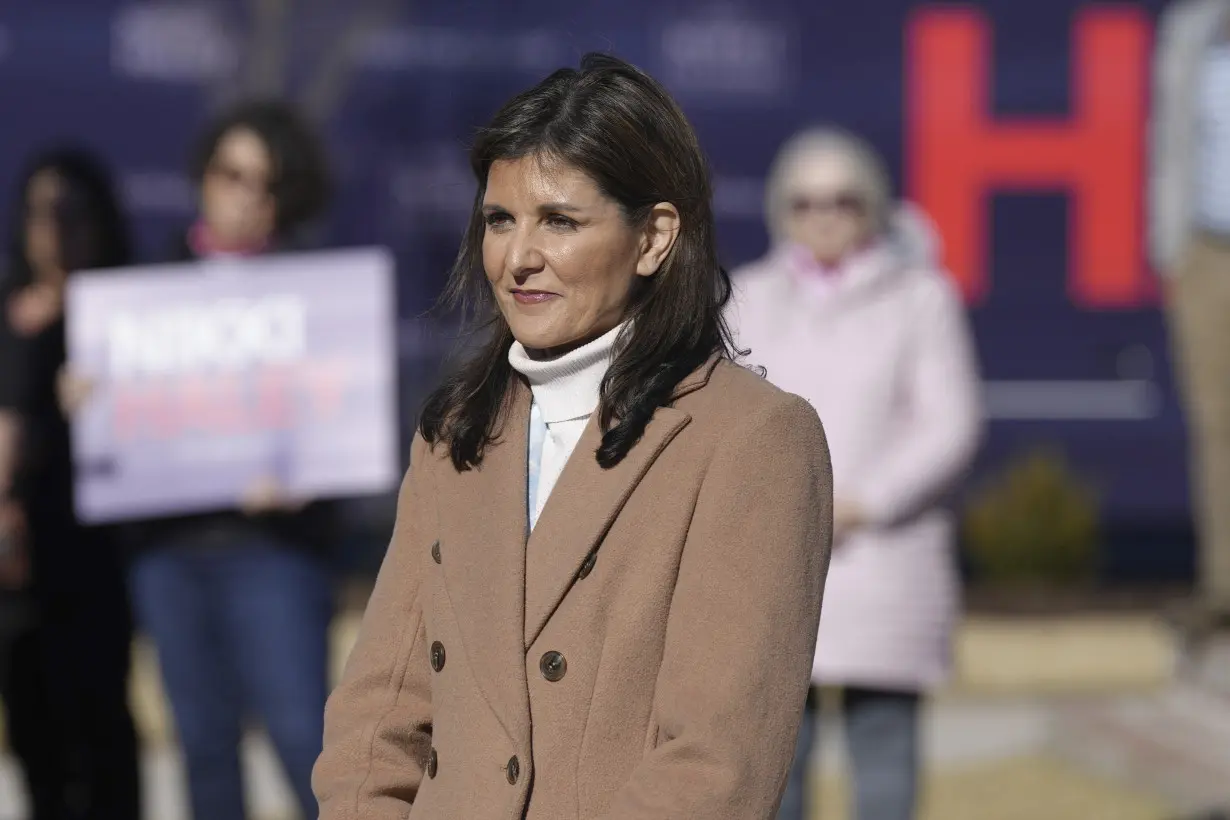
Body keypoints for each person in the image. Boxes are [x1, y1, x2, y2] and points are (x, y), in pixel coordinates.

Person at [313, 53, 834, 819]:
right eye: (499, 220)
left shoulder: (754, 440)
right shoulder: (457, 433)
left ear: (655, 237)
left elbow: (713, 767)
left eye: (559, 221)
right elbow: (377, 718)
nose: (519, 257)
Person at [730, 128, 982, 820]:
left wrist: (863, 505)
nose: (824, 216)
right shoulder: (745, 297)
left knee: (885, 757)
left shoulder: (921, 297)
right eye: (806, 201)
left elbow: (949, 425)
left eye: (841, 199)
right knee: (774, 763)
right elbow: (722, 422)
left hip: (885, 559)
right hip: (772, 560)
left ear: (870, 204)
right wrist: (779, 506)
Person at [117, 100, 335, 820]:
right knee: (203, 750)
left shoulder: (319, 295)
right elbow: (118, 433)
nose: (243, 194)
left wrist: (313, 472)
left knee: (308, 743)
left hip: (272, 552)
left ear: (285, 196)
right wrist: (86, 392)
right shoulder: (143, 293)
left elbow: (345, 424)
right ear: (203, 174)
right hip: (171, 556)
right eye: (229, 173)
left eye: (263, 183)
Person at [0, 149, 141, 820]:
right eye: (40, 212)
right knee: (34, 735)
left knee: (102, 729)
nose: (55, 229)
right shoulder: (4, 312)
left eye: (72, 213)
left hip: (93, 559)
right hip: (12, 569)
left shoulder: (126, 320)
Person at [1152, 0, 1230, 647]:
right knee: (1216, 423)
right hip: (1208, 248)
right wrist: (1171, 247)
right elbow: (1171, 139)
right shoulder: (1192, 25)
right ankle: (1224, 585)